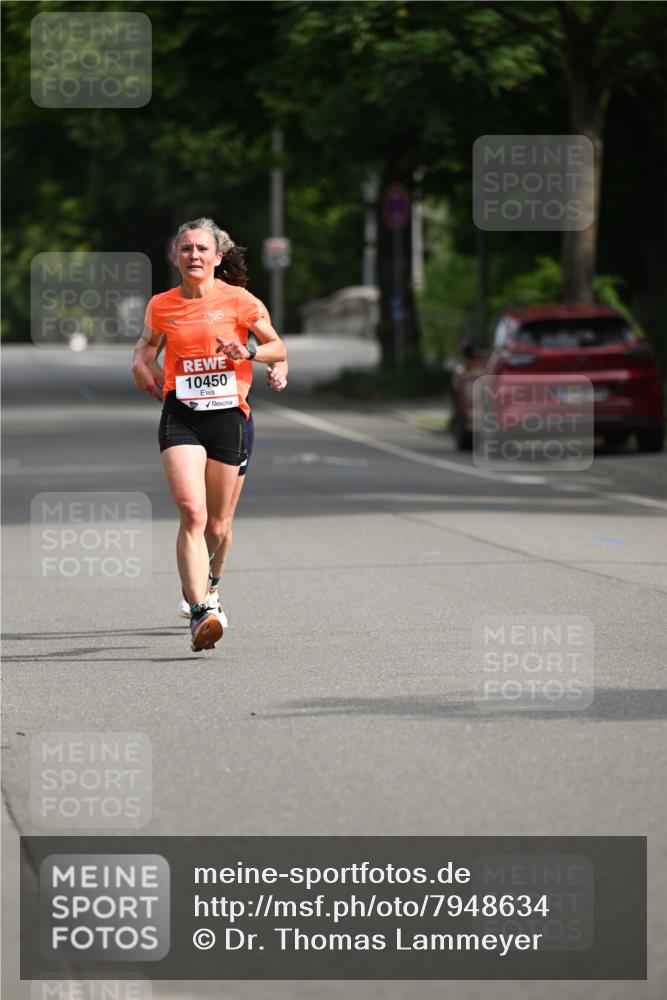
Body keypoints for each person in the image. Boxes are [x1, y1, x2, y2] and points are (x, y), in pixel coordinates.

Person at [132, 217, 286, 651]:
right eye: (186, 249)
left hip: (228, 417)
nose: (194, 256)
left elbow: (276, 346)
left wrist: (251, 351)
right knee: (192, 514)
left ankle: (210, 586)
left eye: (202, 249)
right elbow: (148, 344)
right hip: (181, 413)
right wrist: (139, 362)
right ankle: (201, 611)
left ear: (218, 257)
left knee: (218, 525)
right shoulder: (161, 304)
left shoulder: (239, 300)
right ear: (175, 256)